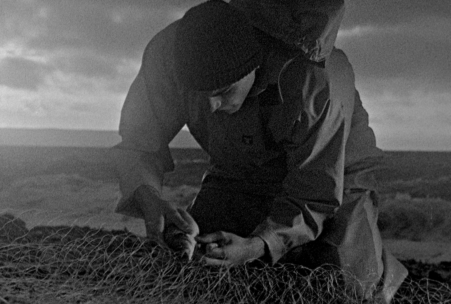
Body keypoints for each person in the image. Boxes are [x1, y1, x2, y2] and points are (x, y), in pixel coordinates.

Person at [113, 0, 408, 302]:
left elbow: (316, 193)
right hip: (237, 166)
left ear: (254, 67)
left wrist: (257, 245)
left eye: (223, 92)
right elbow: (139, 141)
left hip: (336, 175)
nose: (212, 107)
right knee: (197, 264)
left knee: (349, 289)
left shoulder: (314, 81)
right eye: (201, 96)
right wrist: (148, 195)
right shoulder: (169, 55)